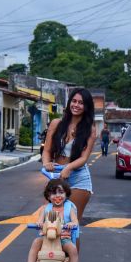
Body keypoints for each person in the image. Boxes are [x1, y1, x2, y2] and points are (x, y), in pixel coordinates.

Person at [41, 87, 96, 226]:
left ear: (86, 107)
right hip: (56, 176)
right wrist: (46, 163)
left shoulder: (90, 129)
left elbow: (84, 158)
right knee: (50, 222)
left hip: (79, 179)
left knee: (70, 225)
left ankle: (72, 248)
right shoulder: (56, 124)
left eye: (81, 103)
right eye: (74, 101)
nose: (76, 105)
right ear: (69, 102)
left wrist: (69, 167)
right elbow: (46, 151)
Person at [22, 178, 81, 262]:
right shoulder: (45, 209)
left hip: (63, 239)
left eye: (61, 192)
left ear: (66, 194)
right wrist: (39, 223)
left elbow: (75, 222)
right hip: (46, 239)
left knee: (73, 250)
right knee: (35, 242)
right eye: (54, 193)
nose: (57, 196)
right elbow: (39, 221)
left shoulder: (69, 209)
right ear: (48, 196)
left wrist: (71, 224)